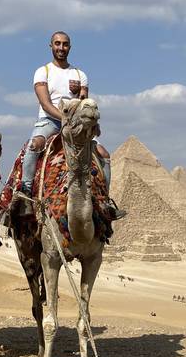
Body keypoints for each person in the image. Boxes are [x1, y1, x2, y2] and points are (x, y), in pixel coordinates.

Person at [19, 32, 122, 218]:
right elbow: (45, 104)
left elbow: (84, 103)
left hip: (76, 124)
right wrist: (64, 118)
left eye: (65, 44)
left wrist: (87, 111)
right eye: (57, 44)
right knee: (34, 145)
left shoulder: (79, 74)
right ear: (50, 46)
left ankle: (105, 201)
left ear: (70, 47)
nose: (61, 48)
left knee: (104, 154)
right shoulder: (43, 71)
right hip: (50, 120)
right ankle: (25, 193)